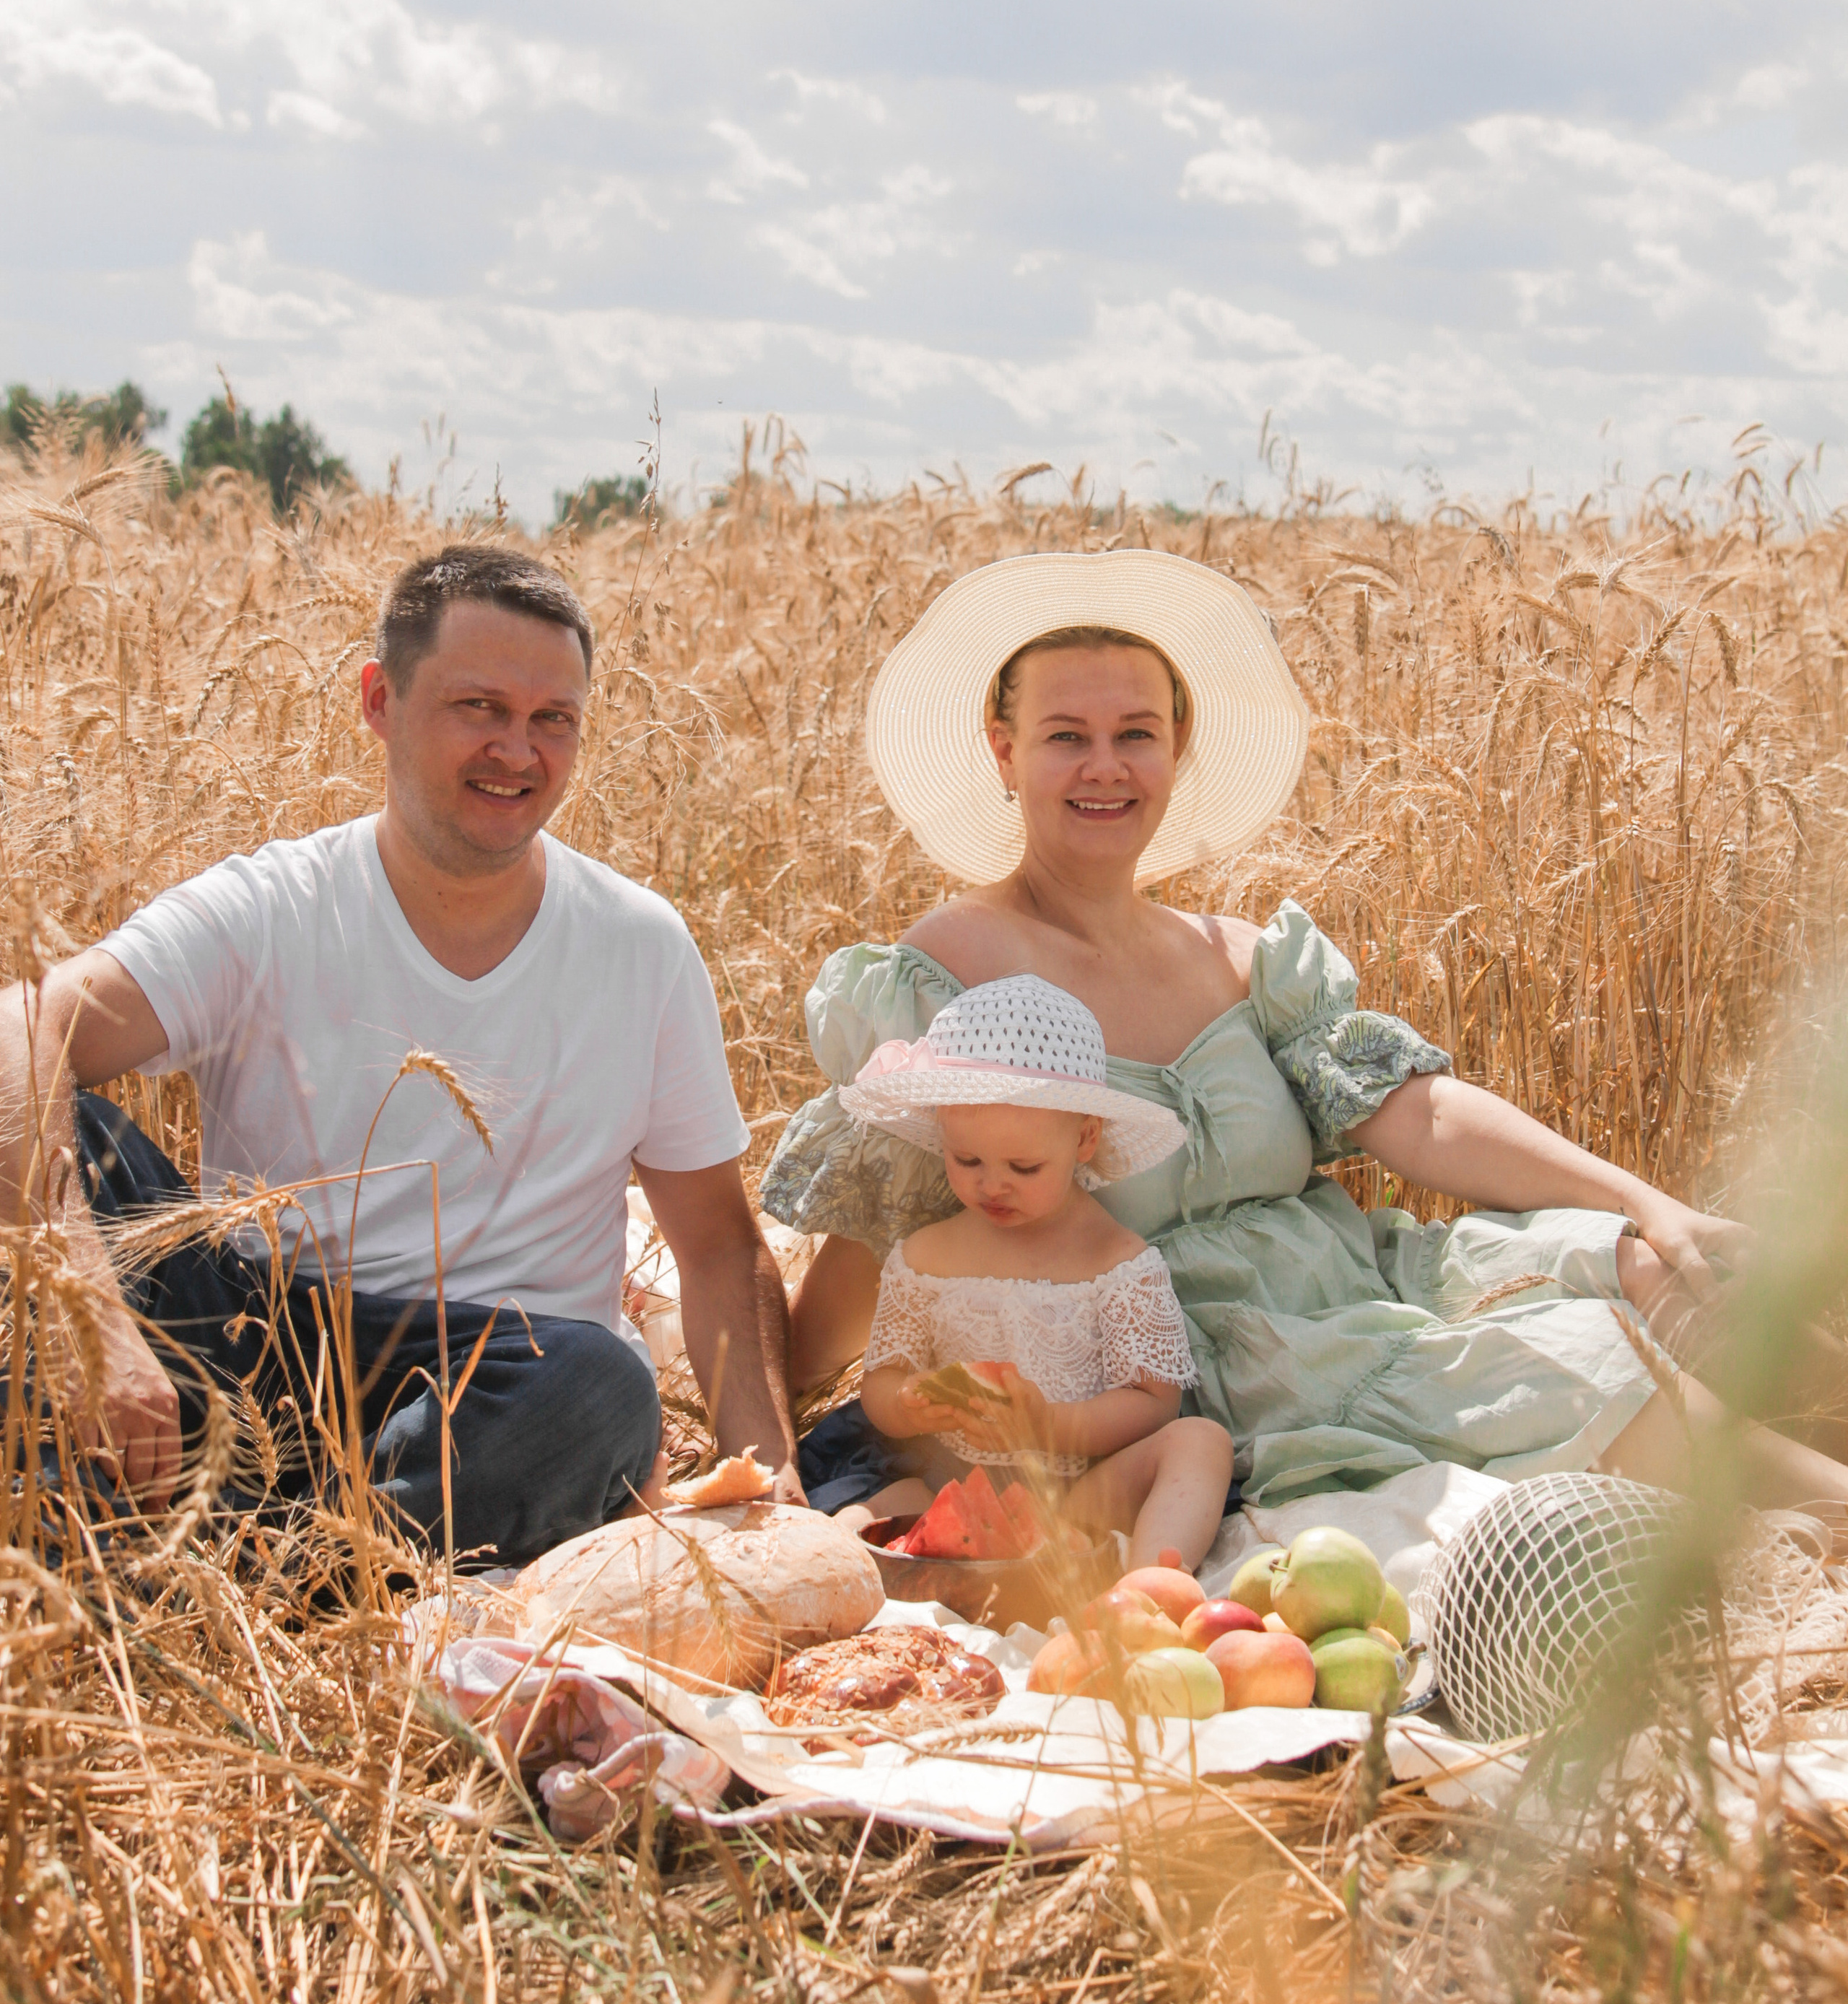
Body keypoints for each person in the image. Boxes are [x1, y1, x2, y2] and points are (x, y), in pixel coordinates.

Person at [763, 548, 1848, 1520]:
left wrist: (1651, 1205)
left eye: (1136, 733)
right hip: (1233, 1347)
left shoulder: (1245, 956)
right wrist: (772, 1402)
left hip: (1360, 1277)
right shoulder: (952, 967)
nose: (1107, 766)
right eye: (1065, 737)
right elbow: (894, 1211)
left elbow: (1417, 1113)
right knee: (1583, 1364)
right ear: (1003, 753)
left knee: (1657, 1269)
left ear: (1177, 746)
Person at [0, 542, 801, 1564]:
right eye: (480, 707)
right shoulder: (272, 907)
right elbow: (22, 1026)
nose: (518, 750)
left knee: (603, 1388)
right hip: (249, 1340)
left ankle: (244, 1565)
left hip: (497, 1381)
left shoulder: (639, 946)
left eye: (552, 719)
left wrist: (772, 1478)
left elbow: (720, 1246)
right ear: (380, 700)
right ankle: (272, 1557)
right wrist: (96, 1330)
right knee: (64, 1134)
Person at [843, 973, 1233, 1571]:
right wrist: (907, 1402)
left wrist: (1051, 1426)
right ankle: (843, 1566)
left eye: (1023, 1166)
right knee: (868, 1509)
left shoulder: (1118, 1262)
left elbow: (1154, 1402)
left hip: (1080, 1491)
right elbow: (881, 1378)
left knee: (1201, 1444)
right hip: (948, 1480)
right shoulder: (925, 1257)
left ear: (1085, 1138)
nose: (991, 1184)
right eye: (966, 1159)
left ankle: (1156, 1583)